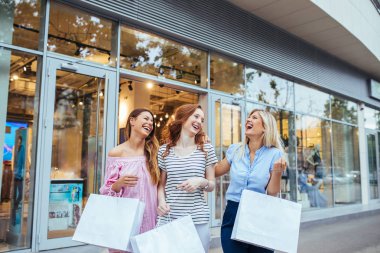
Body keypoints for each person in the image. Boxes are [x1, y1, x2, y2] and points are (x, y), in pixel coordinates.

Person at [215, 109, 287, 253]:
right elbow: (215, 171)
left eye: (254, 118)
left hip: (260, 214)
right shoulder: (235, 150)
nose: (248, 120)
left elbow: (272, 192)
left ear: (265, 127)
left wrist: (278, 172)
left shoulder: (275, 154)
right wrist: (204, 150)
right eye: (248, 117)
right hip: (233, 212)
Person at [157, 104, 218, 252]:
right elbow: (161, 186)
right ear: (183, 118)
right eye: (196, 116)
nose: (199, 121)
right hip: (171, 217)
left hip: (198, 219)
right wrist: (161, 202)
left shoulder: (206, 148)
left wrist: (200, 181)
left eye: (202, 119)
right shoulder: (164, 151)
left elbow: (211, 185)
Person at [99, 108, 160, 253]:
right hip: (125, 220)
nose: (150, 123)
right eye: (146, 118)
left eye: (152, 121)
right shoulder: (117, 152)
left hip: (150, 219)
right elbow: (106, 191)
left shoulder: (154, 153)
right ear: (132, 121)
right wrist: (119, 183)